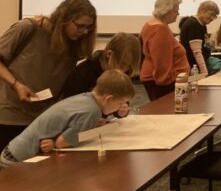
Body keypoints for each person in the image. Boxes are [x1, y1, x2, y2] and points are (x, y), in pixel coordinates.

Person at [0, 0, 97, 151]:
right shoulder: (27, 28)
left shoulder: (74, 44)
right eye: (80, 26)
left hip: (42, 118)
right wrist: (16, 85)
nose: (84, 32)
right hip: (9, 115)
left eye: (89, 28)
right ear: (64, 18)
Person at [0, 69, 134, 169]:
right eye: (120, 103)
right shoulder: (92, 111)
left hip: (13, 150)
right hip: (18, 160)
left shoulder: (86, 98)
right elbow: (61, 143)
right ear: (109, 98)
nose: (119, 108)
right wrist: (98, 129)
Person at [58, 32, 140, 119]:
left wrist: (121, 110)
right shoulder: (84, 74)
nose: (125, 69)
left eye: (129, 66)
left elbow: (118, 100)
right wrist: (96, 118)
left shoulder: (122, 72)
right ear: (109, 54)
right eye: (123, 63)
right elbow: (70, 108)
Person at [139, 0, 189, 101]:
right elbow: (161, 63)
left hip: (159, 81)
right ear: (166, 11)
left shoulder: (154, 24)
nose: (178, 13)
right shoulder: (159, 29)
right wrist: (169, 81)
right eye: (176, 10)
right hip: (163, 85)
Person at [179, 1, 220, 76]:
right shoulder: (194, 25)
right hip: (193, 68)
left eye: (215, 16)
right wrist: (204, 73)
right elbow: (197, 52)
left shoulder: (201, 24)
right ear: (202, 10)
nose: (212, 18)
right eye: (211, 14)